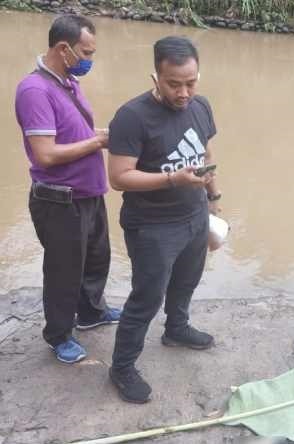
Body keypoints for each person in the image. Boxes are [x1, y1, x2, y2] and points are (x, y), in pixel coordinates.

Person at [107, 36, 221, 403]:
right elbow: (119, 177)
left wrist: (213, 198)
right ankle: (122, 367)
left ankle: (177, 329)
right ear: (155, 77)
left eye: (190, 83)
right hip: (153, 226)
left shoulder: (201, 106)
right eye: (174, 84)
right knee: (147, 297)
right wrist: (172, 178)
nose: (184, 93)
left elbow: (205, 153)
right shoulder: (132, 117)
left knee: (186, 281)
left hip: (195, 215)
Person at [14, 15, 121, 364]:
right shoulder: (34, 90)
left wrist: (107, 134)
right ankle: (58, 335)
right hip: (60, 200)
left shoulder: (68, 82)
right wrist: (98, 143)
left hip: (88, 193)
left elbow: (77, 132)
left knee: (97, 257)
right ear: (64, 49)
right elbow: (45, 155)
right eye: (86, 52)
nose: (89, 59)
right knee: (64, 271)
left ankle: (90, 313)